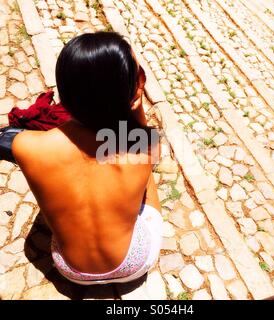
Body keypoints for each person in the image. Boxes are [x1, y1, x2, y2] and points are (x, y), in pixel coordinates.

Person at [8, 31, 163, 285]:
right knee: (146, 175)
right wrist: (136, 103)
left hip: (70, 269)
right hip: (131, 263)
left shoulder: (25, 146)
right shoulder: (145, 144)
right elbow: (137, 132)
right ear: (136, 87)